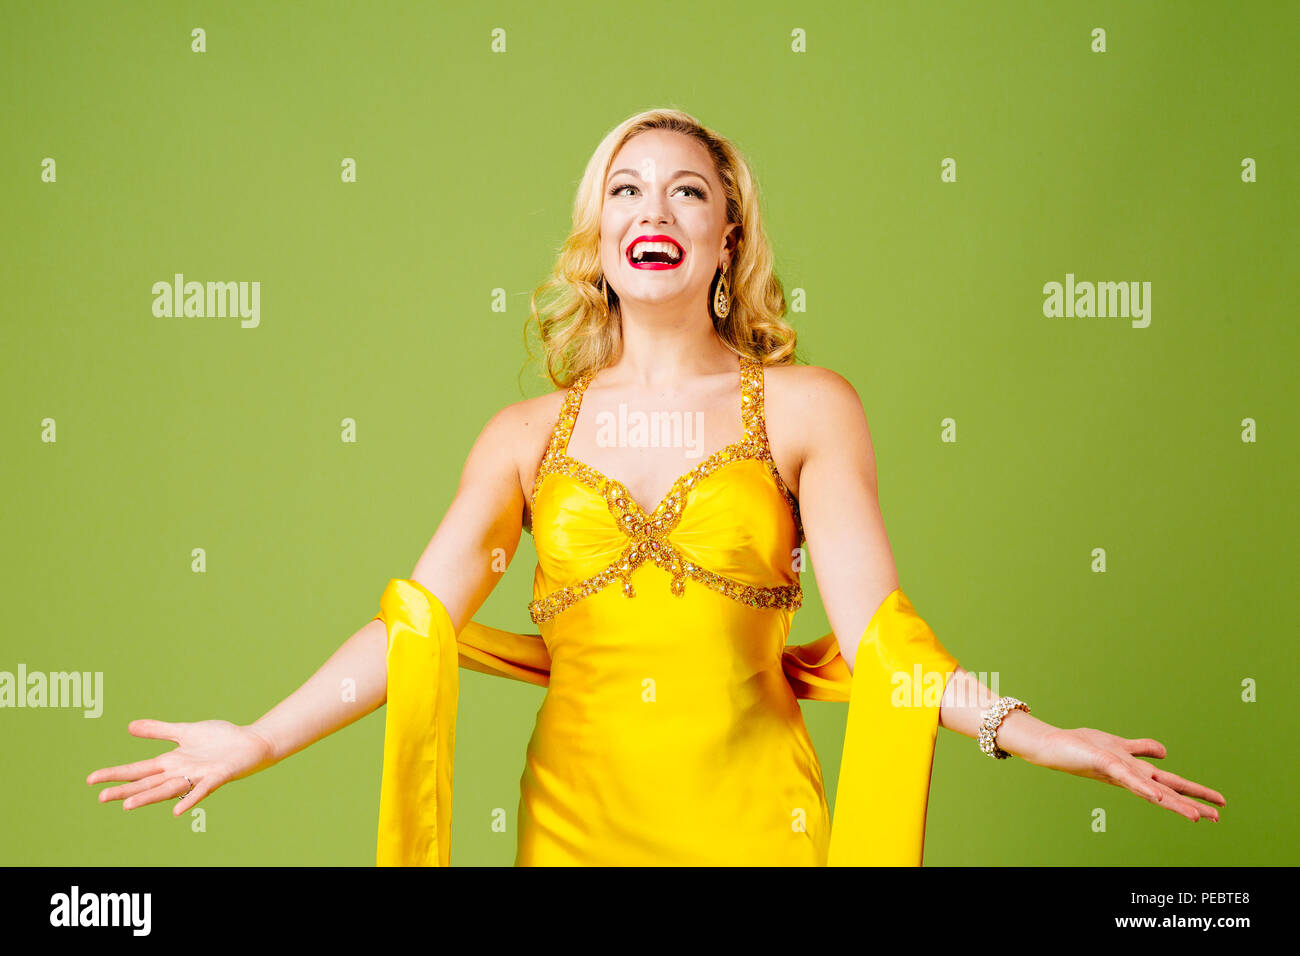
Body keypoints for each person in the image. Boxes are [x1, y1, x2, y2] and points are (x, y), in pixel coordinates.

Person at [87, 108, 1225, 866]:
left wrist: (1030, 730)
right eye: (626, 192)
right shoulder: (523, 437)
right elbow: (414, 625)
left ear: (728, 235)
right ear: (597, 239)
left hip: (759, 827)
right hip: (573, 828)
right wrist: (254, 739)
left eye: (688, 193)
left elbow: (884, 641)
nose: (654, 211)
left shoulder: (808, 407)